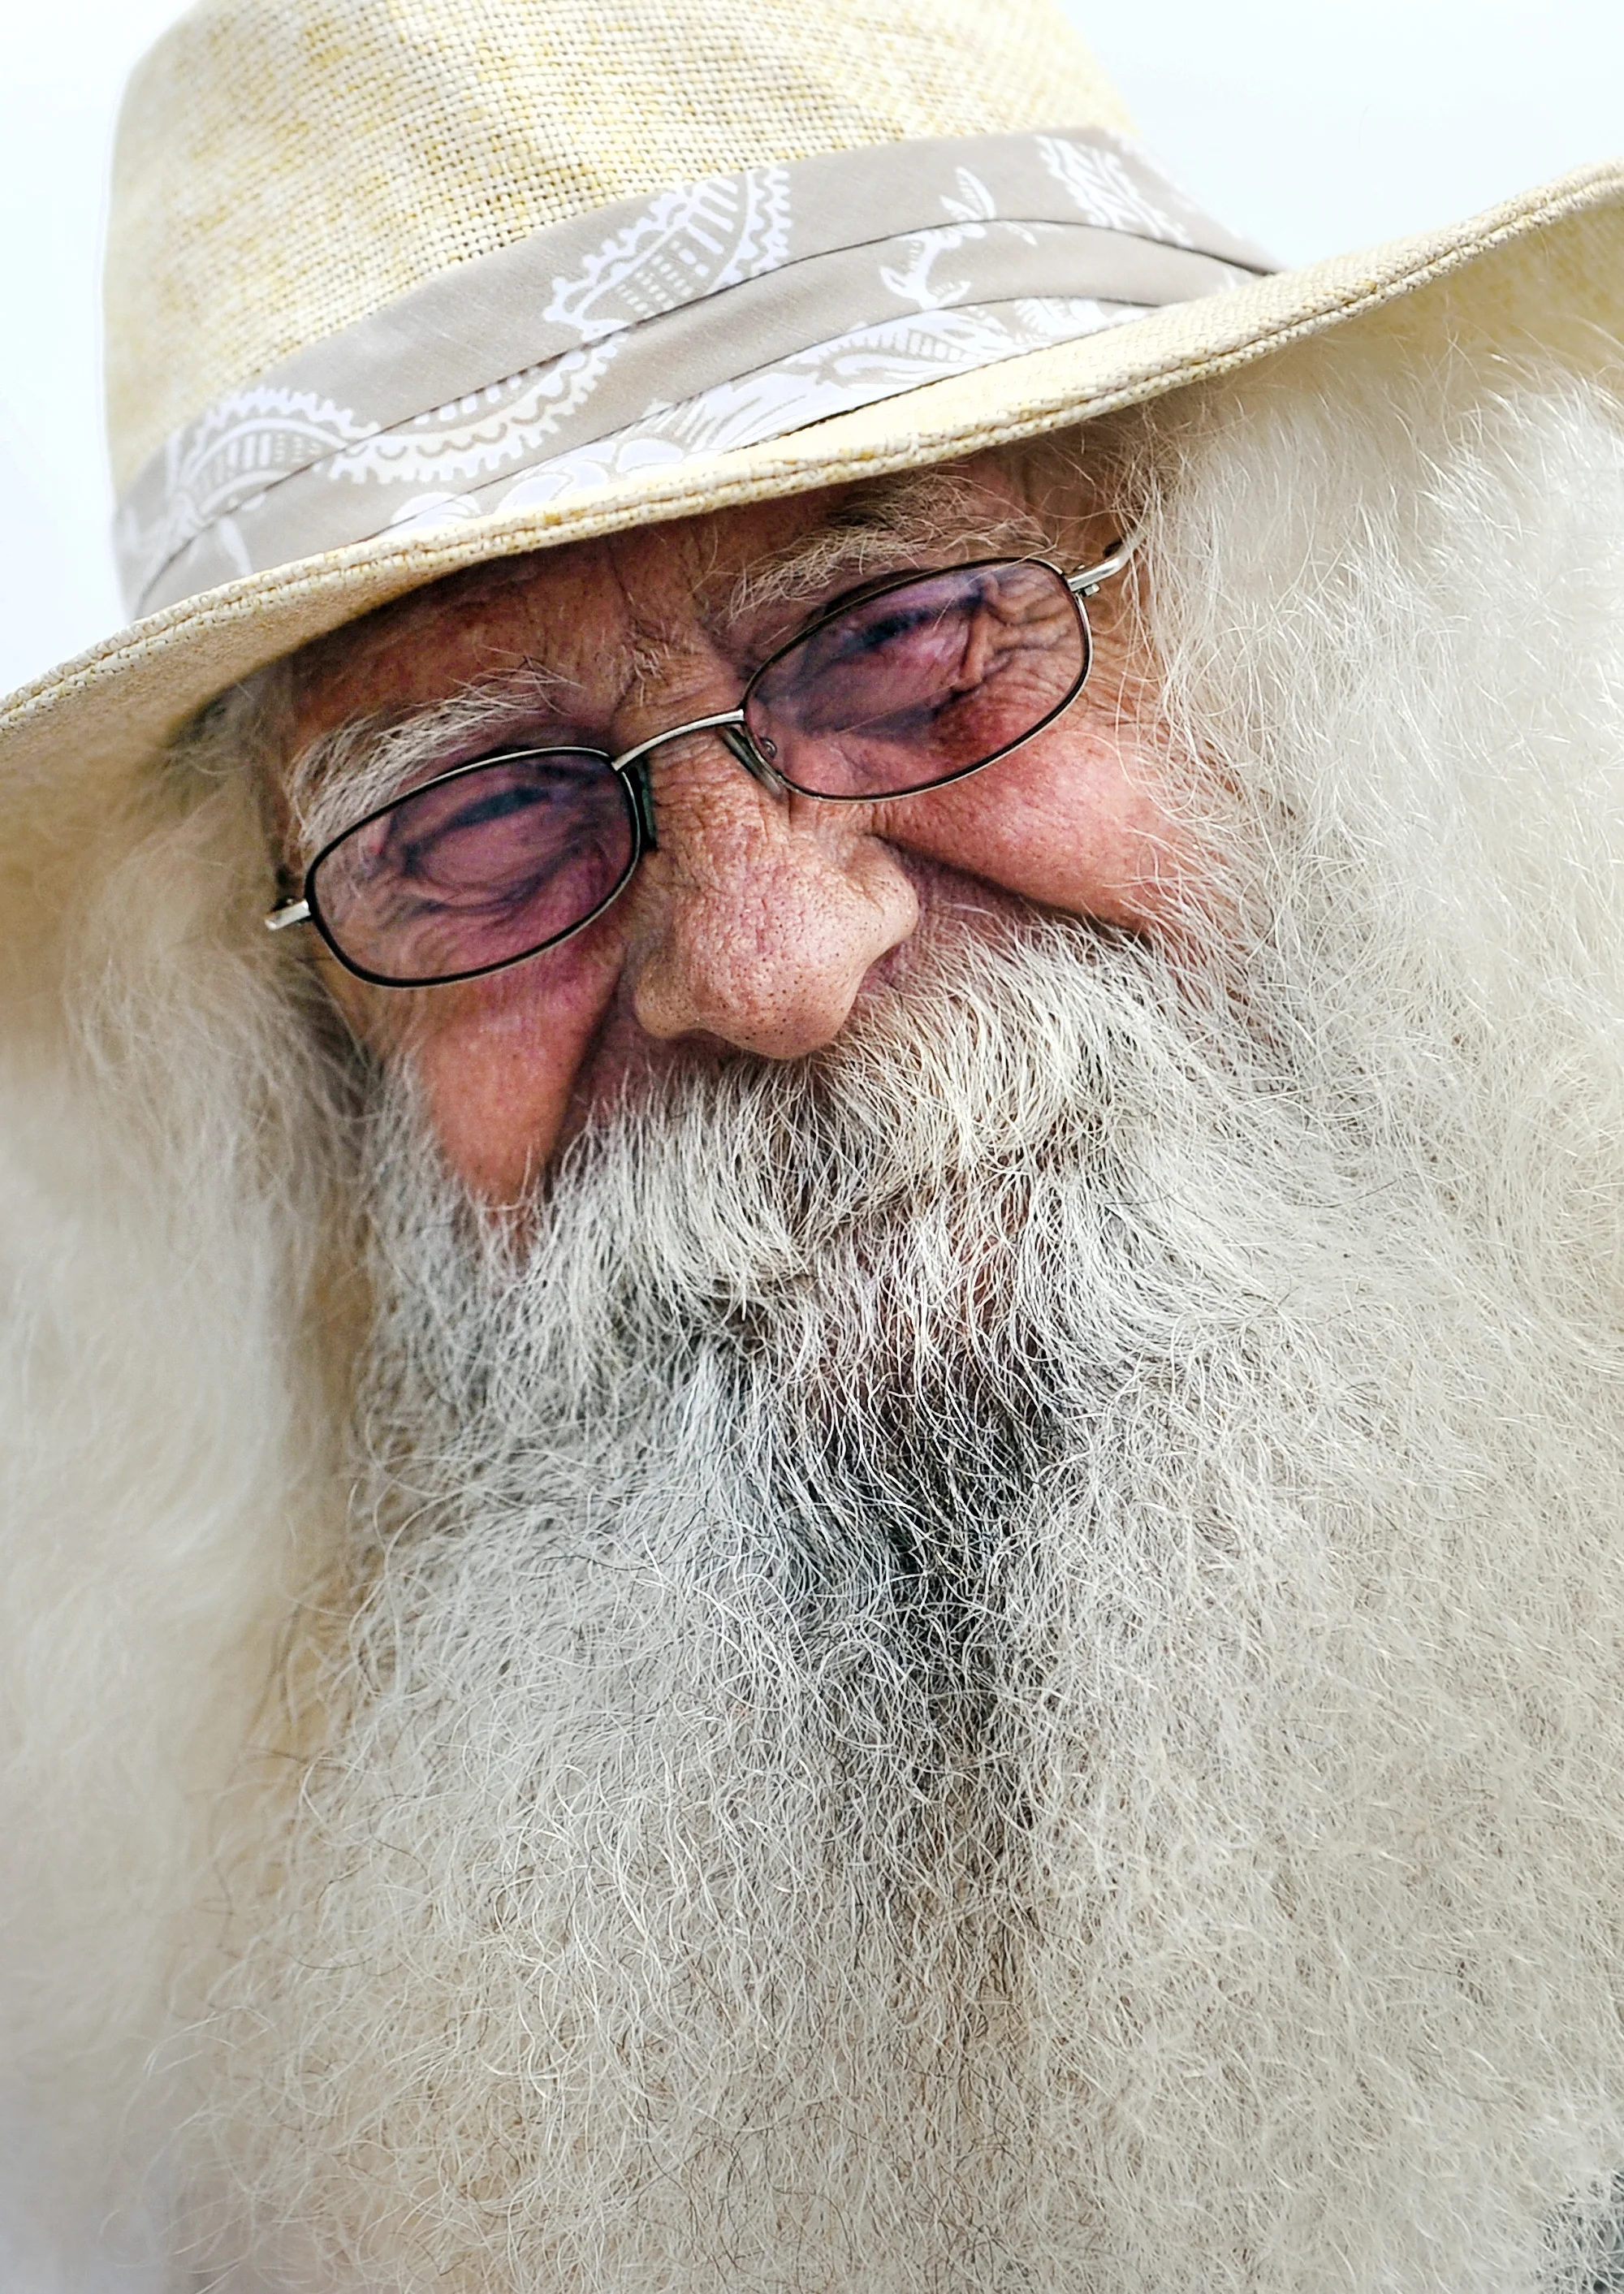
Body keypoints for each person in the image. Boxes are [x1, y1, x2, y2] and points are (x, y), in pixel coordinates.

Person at [2, 0, 1623, 2287]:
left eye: (917, 635)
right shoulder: (235, 2166)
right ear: (292, 1079)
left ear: (1309, 643)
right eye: (472, 823)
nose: (765, 963)